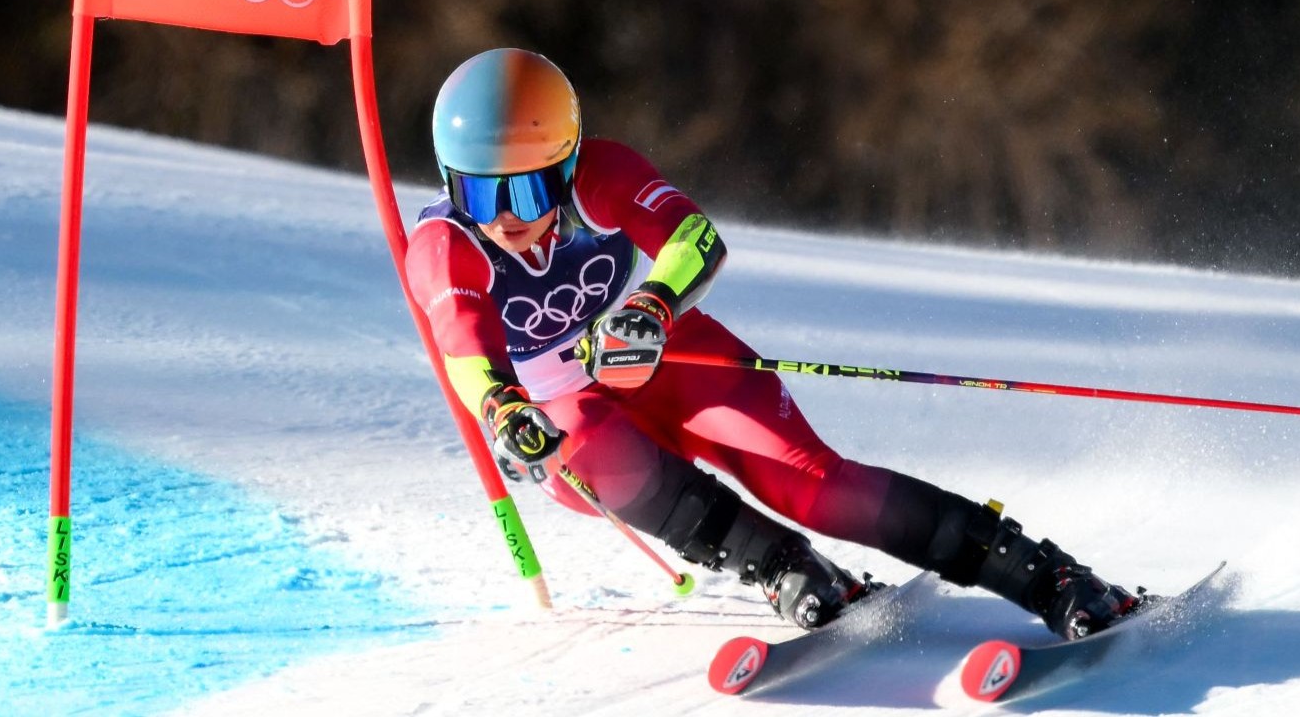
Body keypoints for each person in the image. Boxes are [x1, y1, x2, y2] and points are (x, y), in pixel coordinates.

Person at [406, 47, 1140, 637]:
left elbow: (695, 238)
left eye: (529, 192)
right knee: (595, 453)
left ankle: (1050, 578)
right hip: (566, 417)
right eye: (480, 193)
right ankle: (784, 567)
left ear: (565, 166)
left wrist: (654, 306)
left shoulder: (601, 174)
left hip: (670, 362)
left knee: (814, 485)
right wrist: (505, 411)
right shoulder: (443, 245)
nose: (505, 218)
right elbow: (463, 342)